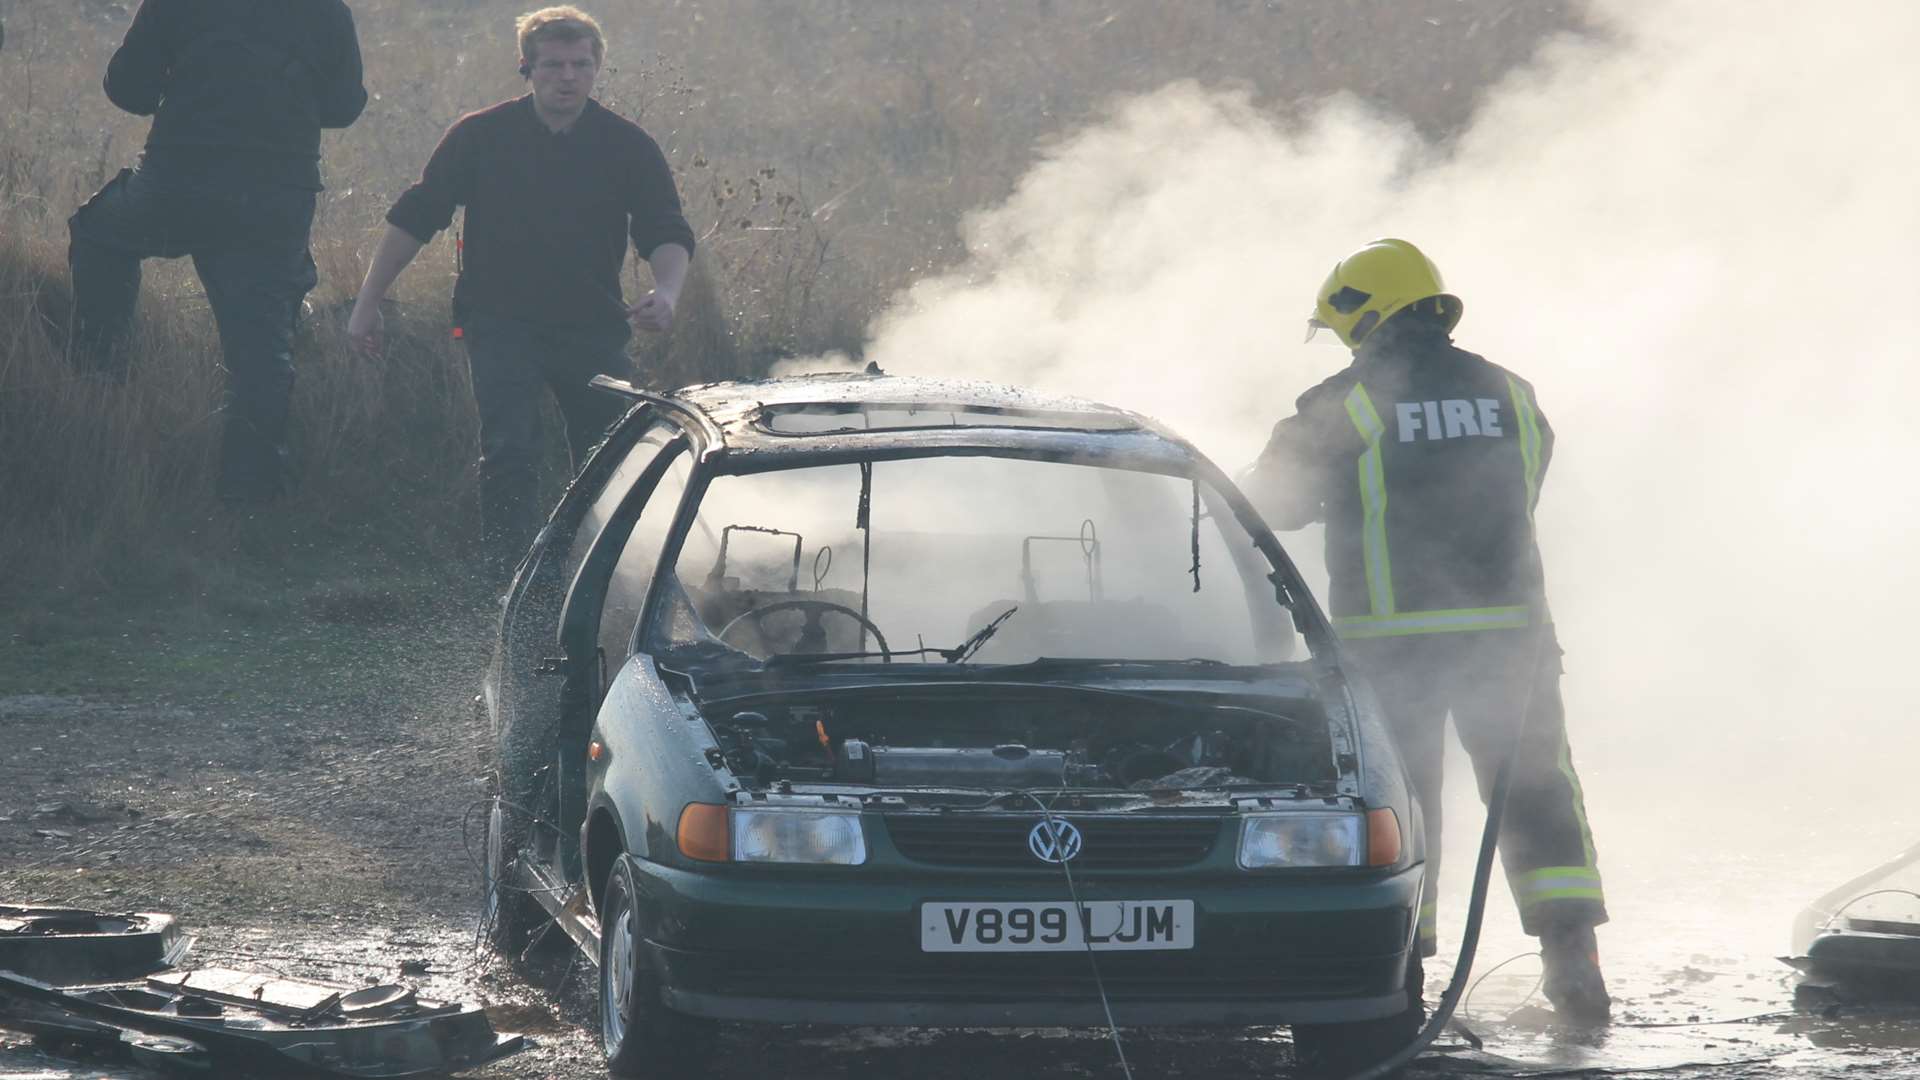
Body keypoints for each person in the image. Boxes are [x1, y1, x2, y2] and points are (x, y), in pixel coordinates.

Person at [1245, 238, 1611, 1024]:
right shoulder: (1512, 393)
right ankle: (1573, 956)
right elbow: (1526, 482)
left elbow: (1269, 504)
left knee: (1403, 803)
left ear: (1361, 315)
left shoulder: (1344, 405)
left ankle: (1403, 966)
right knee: (1538, 789)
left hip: (1393, 644)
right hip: (1511, 636)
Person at [346, 5, 694, 574]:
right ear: (526, 68)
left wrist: (668, 292)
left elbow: (666, 227)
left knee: (609, 456)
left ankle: (603, 574)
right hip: (498, 323)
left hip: (592, 326)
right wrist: (367, 305)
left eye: (580, 64)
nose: (567, 76)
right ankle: (509, 580)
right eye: (553, 64)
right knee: (511, 451)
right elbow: (417, 216)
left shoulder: (627, 145)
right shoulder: (480, 136)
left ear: (597, 68)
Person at [67, 0, 368, 504]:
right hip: (277, 192)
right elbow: (344, 107)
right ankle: (250, 502)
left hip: (179, 178)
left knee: (99, 233)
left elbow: (127, 90)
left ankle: (103, 379)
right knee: (261, 351)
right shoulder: (326, 9)